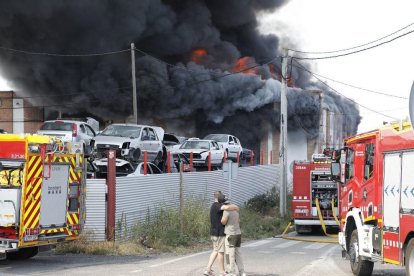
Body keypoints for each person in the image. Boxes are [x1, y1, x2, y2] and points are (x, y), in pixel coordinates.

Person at [204, 191, 239, 276]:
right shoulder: (218, 206)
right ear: (218, 197)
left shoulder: (213, 205)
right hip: (219, 233)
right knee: (221, 252)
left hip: (213, 232)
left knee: (215, 251)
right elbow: (229, 208)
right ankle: (222, 272)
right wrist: (235, 206)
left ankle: (208, 269)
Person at [220, 194, 245, 276]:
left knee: (229, 254)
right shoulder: (235, 210)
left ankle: (231, 272)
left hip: (230, 235)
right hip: (238, 234)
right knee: (238, 253)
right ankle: (242, 272)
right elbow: (238, 221)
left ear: (223, 203)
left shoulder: (226, 211)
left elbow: (223, 221)